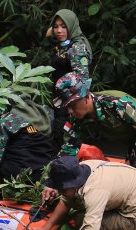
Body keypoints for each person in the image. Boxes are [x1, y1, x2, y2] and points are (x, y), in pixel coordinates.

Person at [54, 72, 136, 181]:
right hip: (135, 135)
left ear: (85, 97)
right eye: (66, 106)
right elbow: (69, 147)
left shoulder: (116, 104)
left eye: (72, 105)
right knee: (131, 172)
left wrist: (134, 162)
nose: (70, 110)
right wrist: (54, 180)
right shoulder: (76, 118)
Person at [0, 99, 57, 189]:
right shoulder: (46, 116)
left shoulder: (10, 119)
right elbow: (27, 137)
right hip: (39, 176)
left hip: (12, 177)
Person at [45, 9, 93, 148]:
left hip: (70, 104)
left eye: (64, 26)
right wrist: (55, 28)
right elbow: (49, 35)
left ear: (72, 26)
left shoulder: (77, 48)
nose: (59, 30)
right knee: (57, 137)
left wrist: (73, 110)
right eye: (56, 26)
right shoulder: (64, 44)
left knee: (64, 140)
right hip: (59, 101)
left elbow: (82, 81)